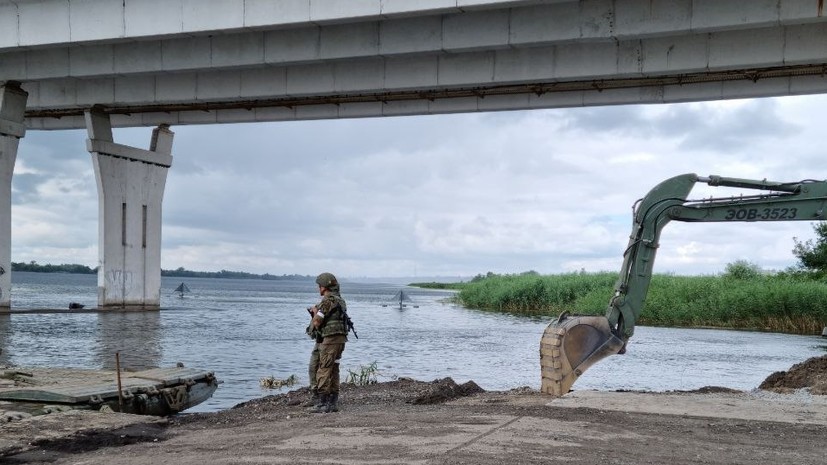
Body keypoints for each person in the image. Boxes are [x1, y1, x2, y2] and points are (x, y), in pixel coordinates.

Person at [307, 272, 348, 413]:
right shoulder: (341, 300)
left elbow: (317, 322)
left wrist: (315, 312)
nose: (319, 288)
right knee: (334, 369)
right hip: (341, 340)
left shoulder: (327, 301)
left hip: (330, 340)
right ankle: (333, 402)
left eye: (320, 286)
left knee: (323, 369)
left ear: (324, 287)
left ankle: (322, 403)